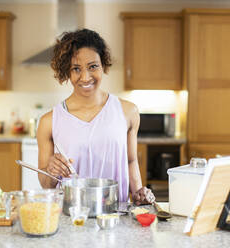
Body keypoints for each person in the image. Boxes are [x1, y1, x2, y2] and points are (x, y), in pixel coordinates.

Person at [37, 28, 155, 205]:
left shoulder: (128, 112)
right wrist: (52, 171)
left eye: (93, 66)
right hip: (73, 218)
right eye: (76, 69)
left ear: (103, 65)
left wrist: (138, 193)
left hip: (116, 217)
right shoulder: (49, 121)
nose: (85, 77)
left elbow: (130, 161)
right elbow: (47, 185)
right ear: (67, 72)